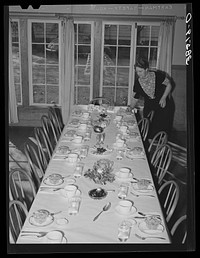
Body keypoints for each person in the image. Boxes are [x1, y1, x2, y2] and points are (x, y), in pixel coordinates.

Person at [130, 57, 174, 139]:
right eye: (137, 72)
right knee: (148, 128)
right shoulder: (138, 82)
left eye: (140, 71)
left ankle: (161, 146)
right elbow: (136, 96)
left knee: (162, 128)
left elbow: (169, 85)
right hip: (149, 106)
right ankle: (149, 147)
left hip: (162, 104)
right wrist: (131, 107)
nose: (138, 74)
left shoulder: (157, 75)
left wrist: (164, 97)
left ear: (146, 69)